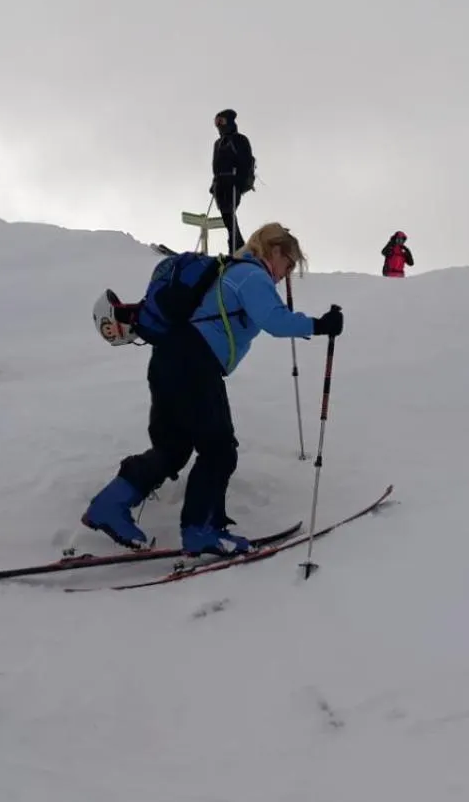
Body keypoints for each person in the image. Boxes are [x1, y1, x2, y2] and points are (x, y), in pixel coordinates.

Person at [82, 222, 344, 556]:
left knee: (174, 448)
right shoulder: (252, 274)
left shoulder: (229, 273)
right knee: (219, 448)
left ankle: (110, 505)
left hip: (168, 360)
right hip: (195, 363)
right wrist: (321, 325)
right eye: (289, 263)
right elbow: (275, 321)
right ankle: (200, 530)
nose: (287, 273)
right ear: (274, 250)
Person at [210, 108, 255, 254]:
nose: (219, 125)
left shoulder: (239, 139)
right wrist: (214, 183)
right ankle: (237, 245)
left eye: (221, 121)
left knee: (229, 213)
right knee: (227, 216)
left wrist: (240, 180)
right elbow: (216, 165)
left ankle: (236, 246)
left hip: (233, 182)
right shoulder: (218, 143)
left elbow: (246, 161)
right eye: (216, 122)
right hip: (220, 183)